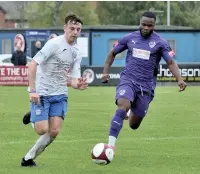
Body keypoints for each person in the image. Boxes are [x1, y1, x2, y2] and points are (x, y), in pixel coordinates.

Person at [101, 11, 187, 154]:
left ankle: (130, 111)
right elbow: (112, 53)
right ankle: (110, 146)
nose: (146, 28)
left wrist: (179, 79)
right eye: (143, 25)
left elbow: (170, 62)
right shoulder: (129, 38)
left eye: (149, 25)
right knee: (122, 106)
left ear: (154, 26)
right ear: (139, 23)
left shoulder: (160, 42)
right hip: (128, 79)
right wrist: (105, 72)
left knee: (134, 125)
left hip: (146, 86)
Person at [21, 12, 88, 167]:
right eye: (72, 28)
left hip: (60, 94)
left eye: (78, 29)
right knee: (42, 130)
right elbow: (33, 64)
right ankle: (35, 116)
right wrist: (32, 91)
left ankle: (28, 158)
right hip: (42, 92)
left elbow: (73, 79)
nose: (75, 32)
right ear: (65, 28)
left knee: (54, 132)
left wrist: (78, 85)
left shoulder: (77, 52)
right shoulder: (54, 44)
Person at [22, 34, 59, 125]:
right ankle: (34, 116)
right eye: (51, 40)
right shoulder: (43, 53)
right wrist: (33, 90)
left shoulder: (60, 55)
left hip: (52, 88)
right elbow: (33, 67)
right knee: (42, 120)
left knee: (51, 116)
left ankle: (34, 115)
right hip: (40, 87)